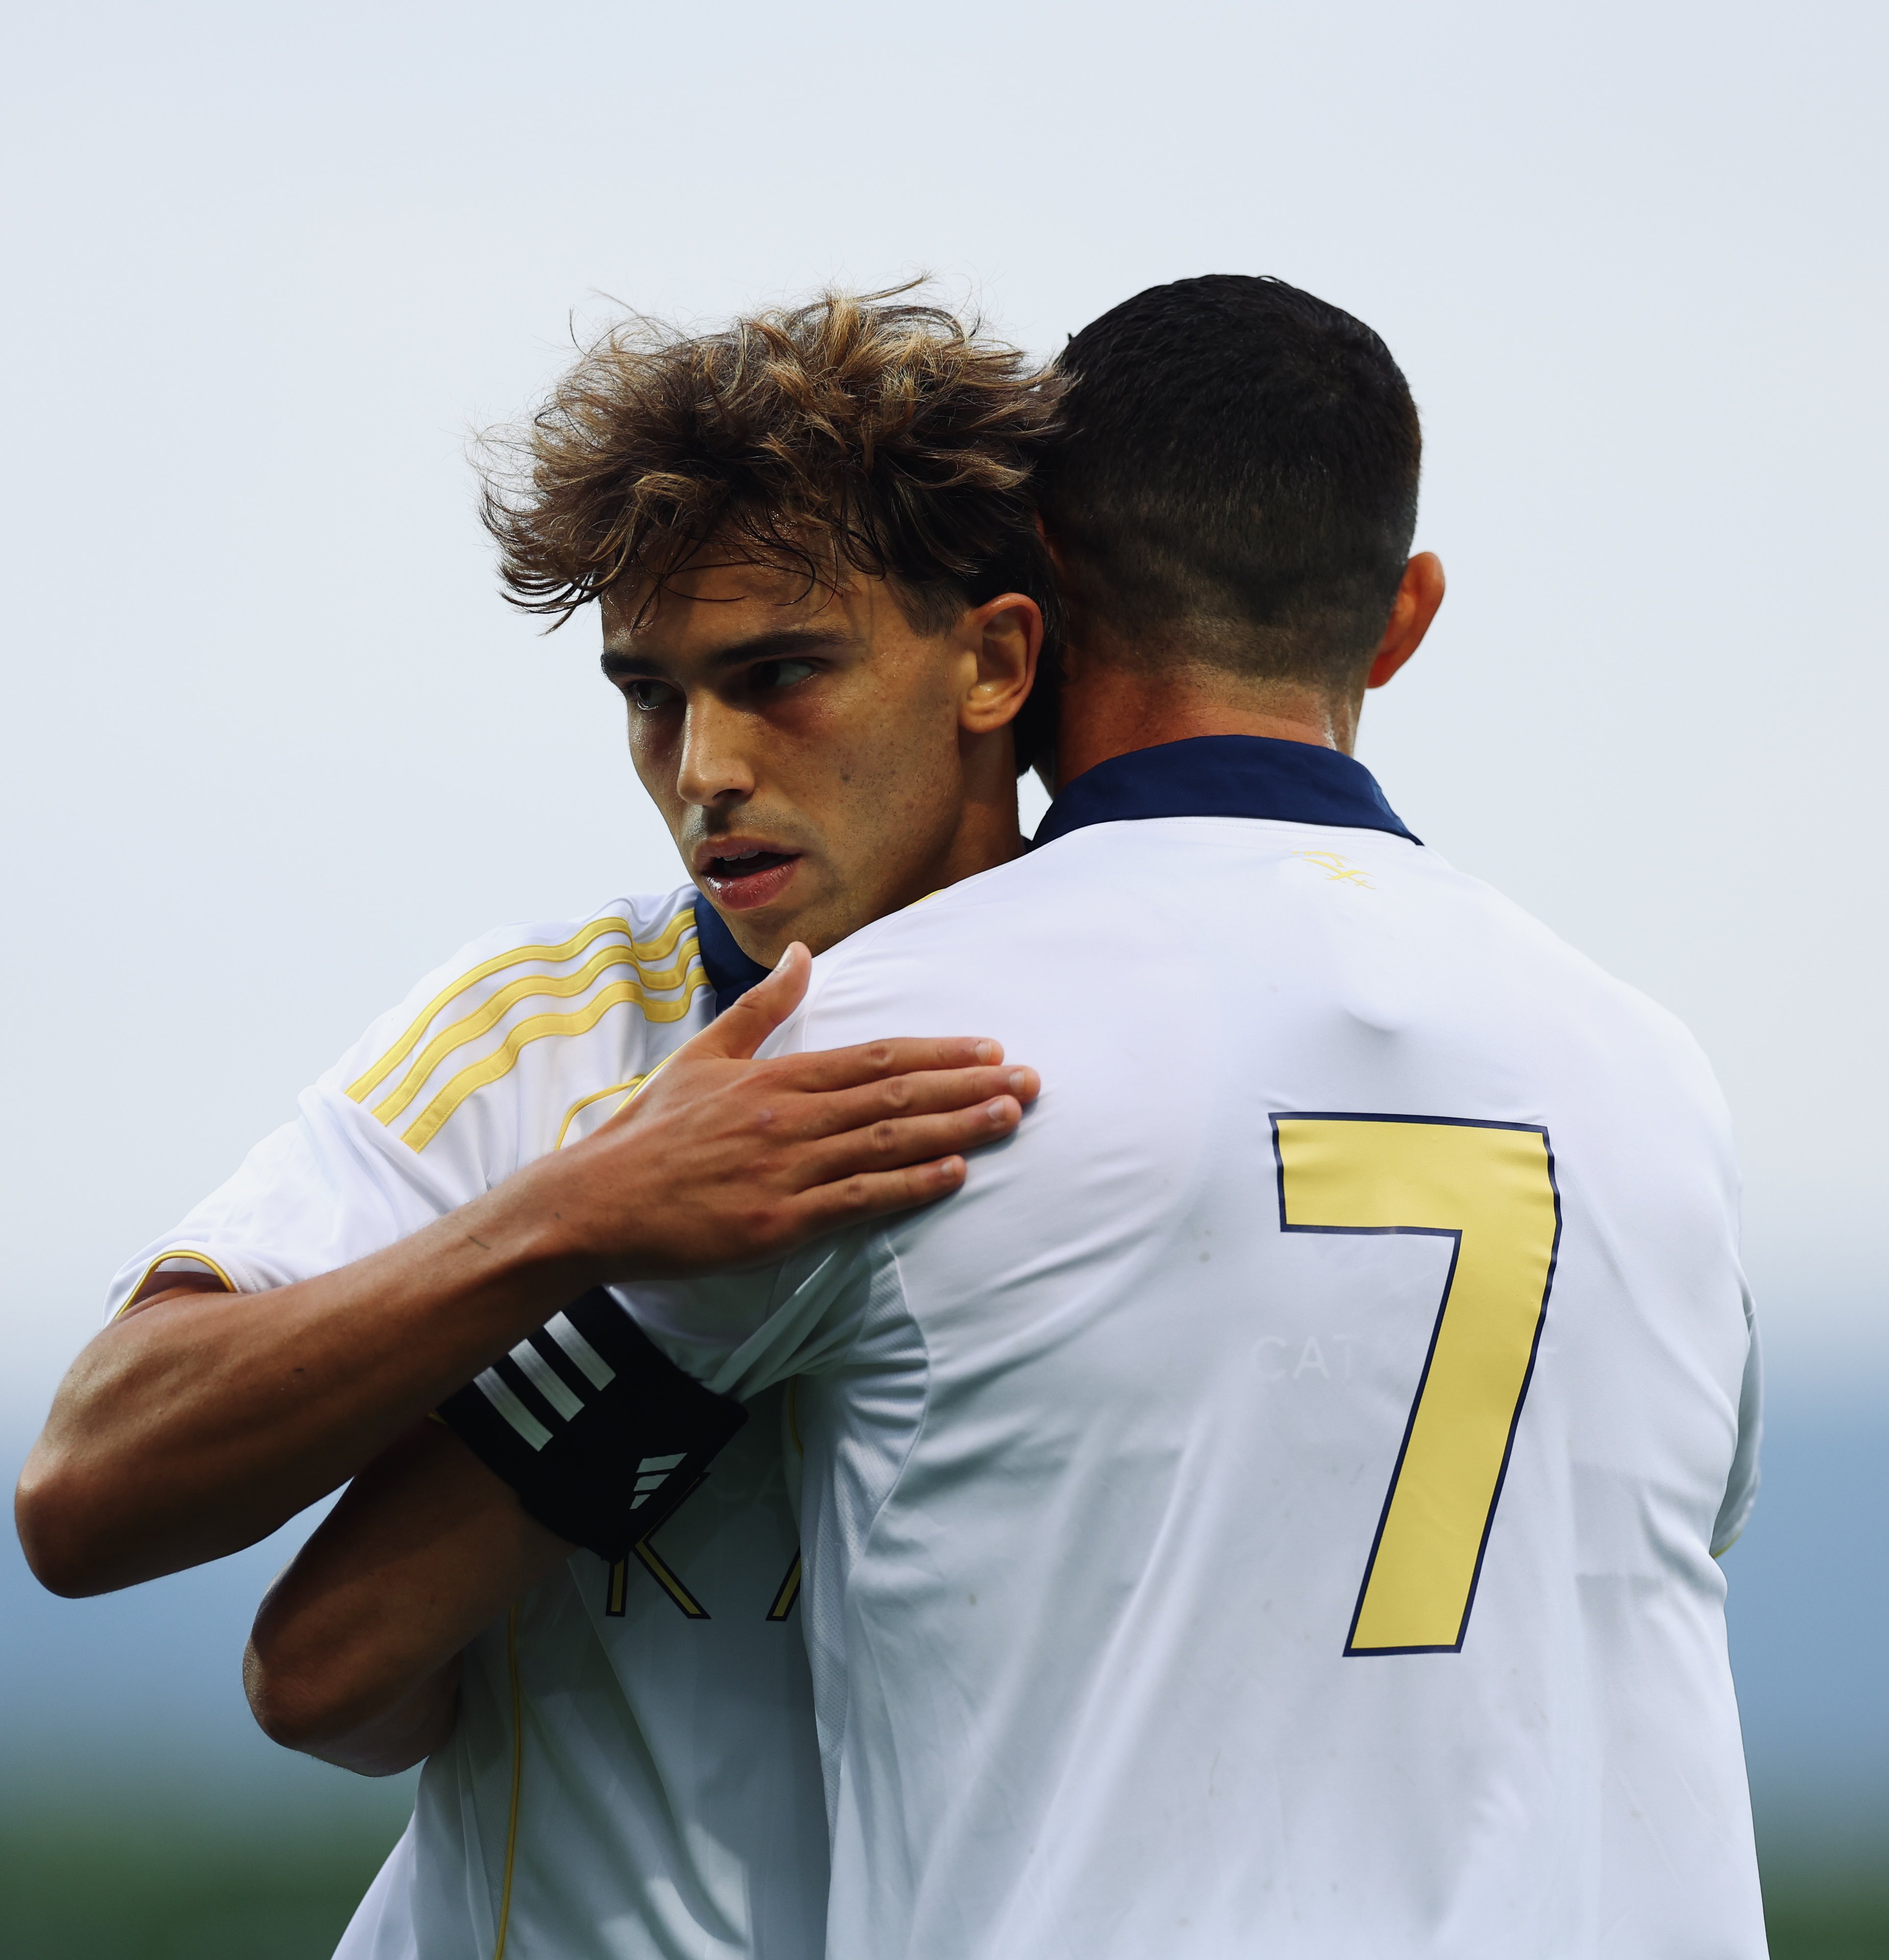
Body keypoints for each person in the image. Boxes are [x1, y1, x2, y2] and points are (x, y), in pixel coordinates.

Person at [607, 275, 1769, 1957]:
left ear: (1037, 614)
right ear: (1404, 616)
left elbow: (339, 1661)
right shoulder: (1652, 1068)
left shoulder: (889, 1035)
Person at [17, 292, 1059, 1959]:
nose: (704, 764)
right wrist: (578, 1212)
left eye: (778, 673)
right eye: (650, 695)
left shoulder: (1139, 1041)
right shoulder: (546, 1030)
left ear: (994, 661)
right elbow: (89, 1492)